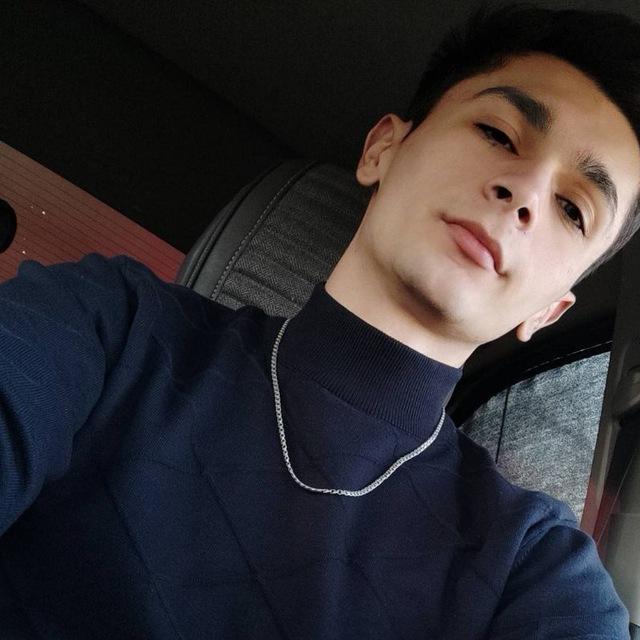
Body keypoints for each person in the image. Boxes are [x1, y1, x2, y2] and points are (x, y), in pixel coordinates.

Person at [1, 3, 639, 639]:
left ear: (547, 310)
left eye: (573, 209)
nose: (526, 193)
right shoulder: (111, 326)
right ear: (383, 149)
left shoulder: (534, 567)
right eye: (498, 134)